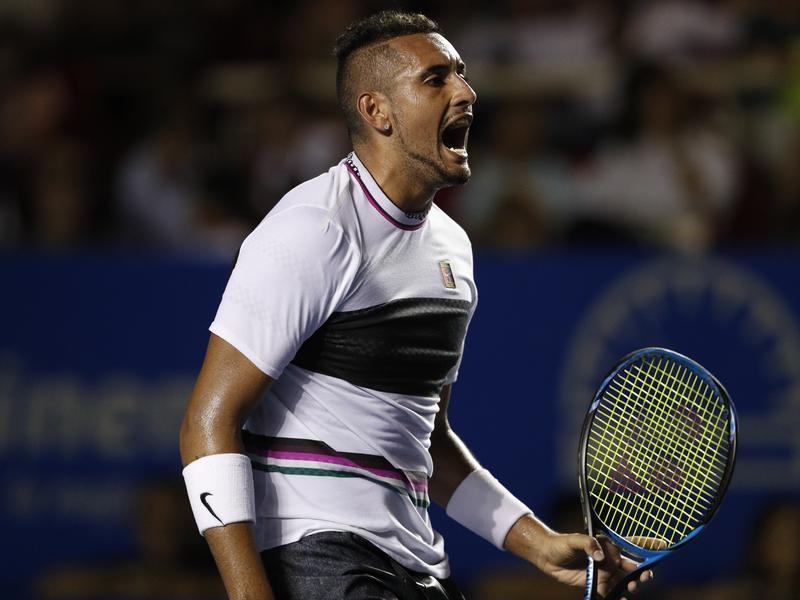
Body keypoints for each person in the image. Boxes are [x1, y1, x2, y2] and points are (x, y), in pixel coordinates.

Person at [179, 10, 652, 600]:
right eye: (436, 79)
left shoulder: (453, 248)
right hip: (318, 553)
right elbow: (207, 423)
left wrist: (537, 543)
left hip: (416, 564)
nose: (466, 92)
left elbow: (428, 440)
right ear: (377, 111)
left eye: (461, 73)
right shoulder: (313, 229)